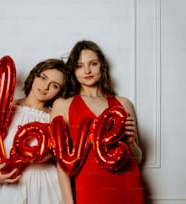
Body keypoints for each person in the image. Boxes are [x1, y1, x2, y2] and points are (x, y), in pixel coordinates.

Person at [51, 40, 144, 204]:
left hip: (127, 185)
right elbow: (61, 162)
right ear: (73, 70)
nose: (87, 70)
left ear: (102, 65)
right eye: (79, 66)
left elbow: (137, 158)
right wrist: (68, 201)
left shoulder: (123, 103)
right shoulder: (63, 105)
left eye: (93, 64)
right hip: (88, 188)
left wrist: (130, 143)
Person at [0, 58, 70, 204]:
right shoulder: (6, 109)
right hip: (11, 185)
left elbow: (62, 157)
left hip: (46, 186)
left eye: (54, 85)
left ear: (59, 92)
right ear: (34, 75)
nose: (45, 87)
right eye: (43, 78)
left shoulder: (54, 117)